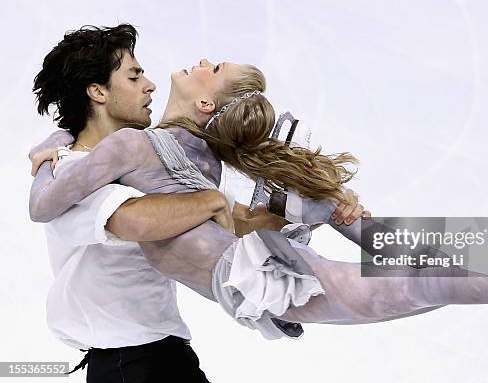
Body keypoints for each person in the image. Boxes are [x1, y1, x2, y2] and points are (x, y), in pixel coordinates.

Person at [30, 47, 488, 347]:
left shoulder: (202, 154)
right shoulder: (134, 146)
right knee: (400, 276)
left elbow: (228, 219)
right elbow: (43, 207)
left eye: (213, 67)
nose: (197, 63)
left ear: (207, 106)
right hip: (255, 277)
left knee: (382, 255)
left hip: (260, 271)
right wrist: (56, 142)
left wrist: (312, 202)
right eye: (137, 75)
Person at [28, 24, 363, 382]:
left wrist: (323, 209)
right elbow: (136, 221)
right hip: (129, 363)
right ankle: (425, 258)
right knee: (378, 287)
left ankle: (423, 253)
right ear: (97, 91)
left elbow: (231, 223)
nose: (150, 85)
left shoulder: (141, 162)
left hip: (159, 354)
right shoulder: (78, 172)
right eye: (134, 76)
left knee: (391, 273)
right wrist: (215, 199)